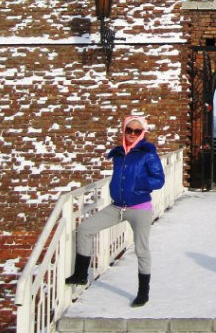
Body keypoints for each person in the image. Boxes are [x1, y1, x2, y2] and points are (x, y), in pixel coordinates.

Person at [66, 114, 165, 307]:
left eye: (137, 131)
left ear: (143, 132)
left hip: (139, 208)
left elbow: (159, 179)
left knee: (141, 249)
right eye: (129, 130)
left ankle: (143, 292)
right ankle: (80, 274)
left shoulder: (148, 153)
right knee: (86, 229)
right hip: (117, 206)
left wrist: (139, 184)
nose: (132, 134)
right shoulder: (119, 154)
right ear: (124, 131)